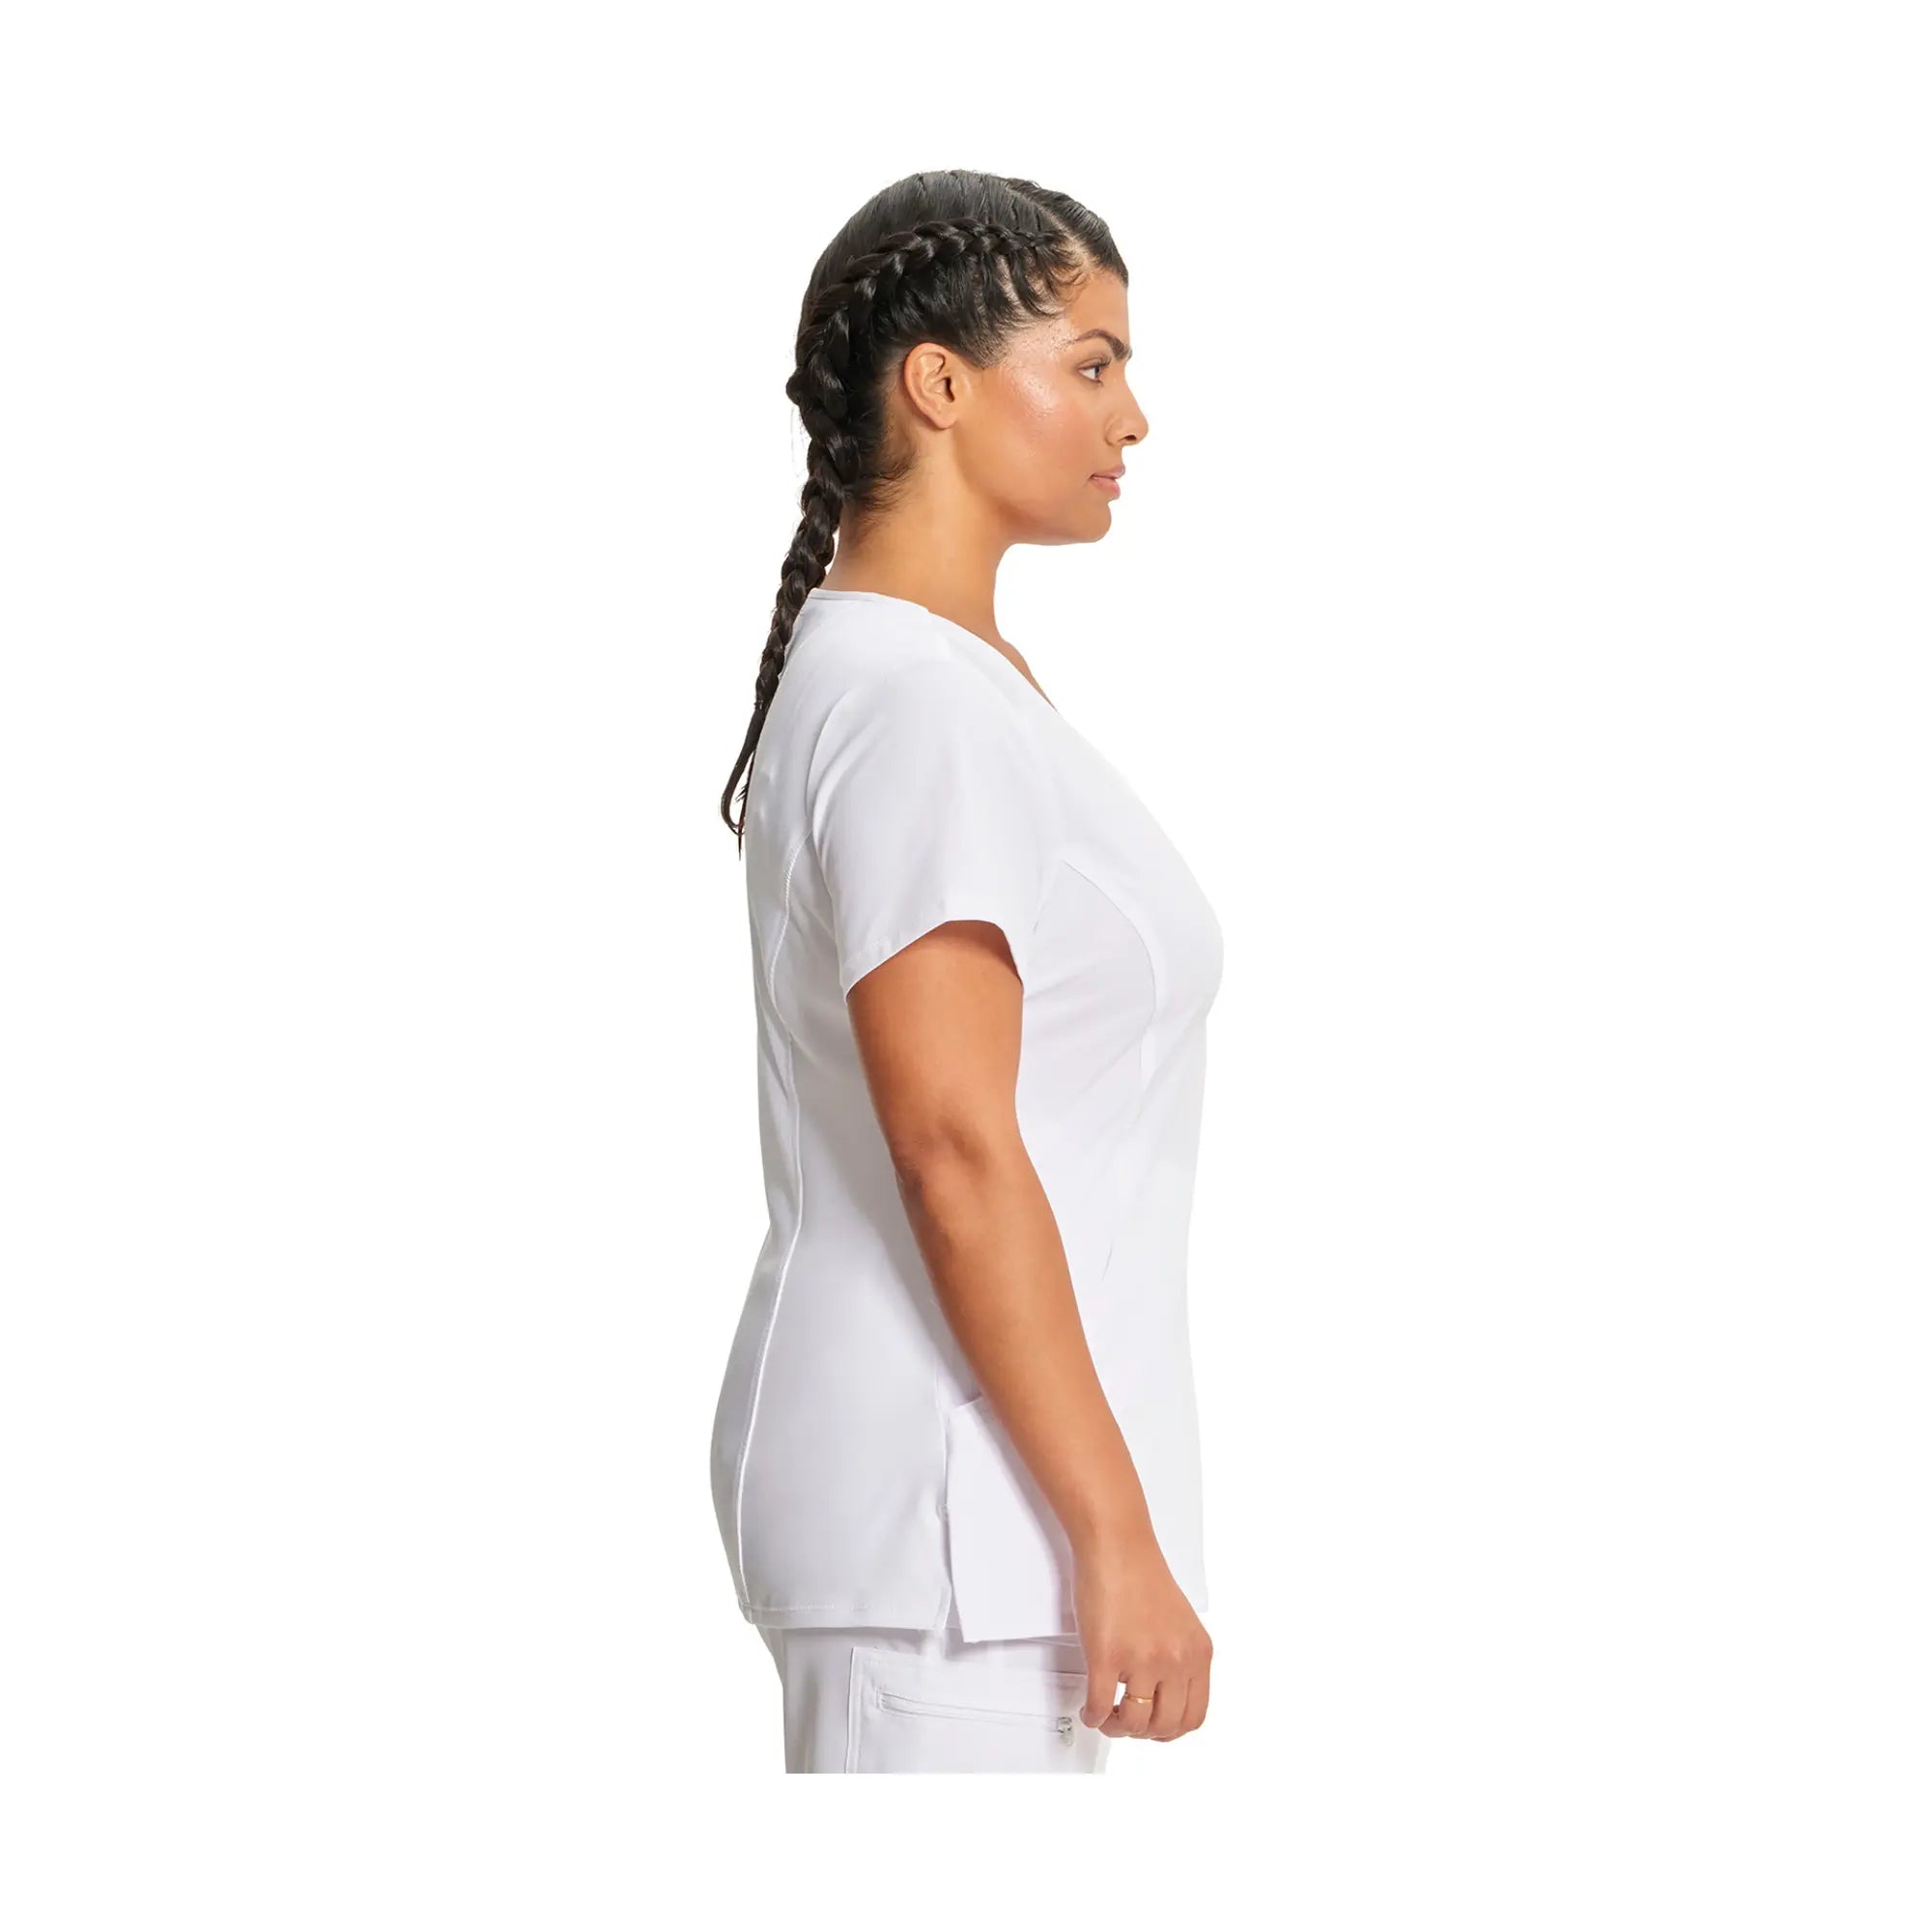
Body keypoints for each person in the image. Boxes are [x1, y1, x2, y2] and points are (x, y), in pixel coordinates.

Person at [709, 171, 1222, 1774]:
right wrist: (1116, 1531)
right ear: (939, 384)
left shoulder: (931, 679)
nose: (1132, 417)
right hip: (950, 1544)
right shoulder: (914, 700)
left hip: (975, 1539)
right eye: (1090, 363)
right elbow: (950, 1143)